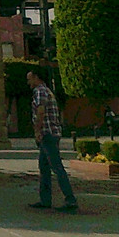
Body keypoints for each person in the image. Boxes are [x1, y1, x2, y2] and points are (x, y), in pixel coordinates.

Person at [27, 70, 78, 212]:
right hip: (52, 133)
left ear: (37, 77)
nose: (28, 83)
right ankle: (45, 200)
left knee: (56, 167)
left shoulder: (40, 91)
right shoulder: (48, 91)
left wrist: (37, 131)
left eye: (30, 79)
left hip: (47, 134)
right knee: (44, 167)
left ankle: (70, 200)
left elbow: (41, 111)